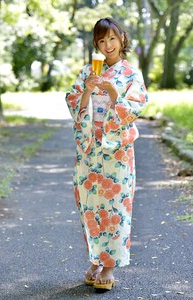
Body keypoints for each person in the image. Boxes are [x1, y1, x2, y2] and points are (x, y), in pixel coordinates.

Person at [65, 17, 148, 291]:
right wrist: (88, 90)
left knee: (115, 206)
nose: (107, 45)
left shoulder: (131, 75)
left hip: (117, 150)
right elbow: (74, 102)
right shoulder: (88, 71)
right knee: (88, 204)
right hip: (90, 147)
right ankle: (95, 259)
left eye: (112, 38)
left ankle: (109, 265)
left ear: (122, 38)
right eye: (101, 40)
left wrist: (113, 92)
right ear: (96, 44)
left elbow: (135, 108)